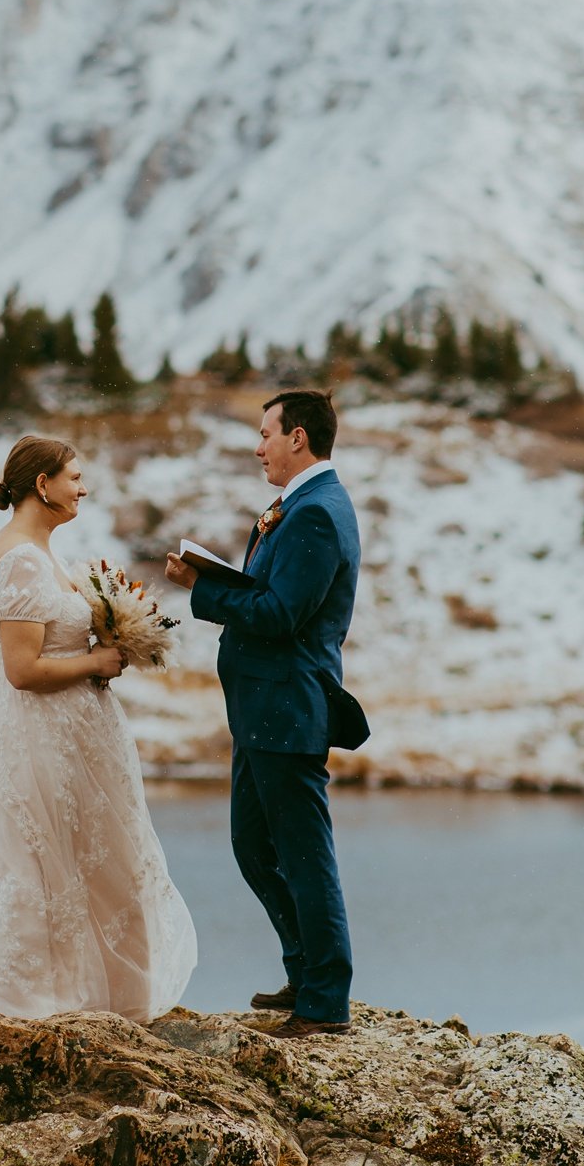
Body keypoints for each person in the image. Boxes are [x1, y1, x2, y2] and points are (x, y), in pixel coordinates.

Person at [0, 433, 197, 1020]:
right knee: (40, 867)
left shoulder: (40, 552)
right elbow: (20, 669)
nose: (83, 487)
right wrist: (98, 660)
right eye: (74, 477)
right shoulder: (17, 558)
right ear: (43, 485)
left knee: (93, 862)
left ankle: (99, 995)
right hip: (35, 740)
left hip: (64, 738)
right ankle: (36, 999)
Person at [165, 389, 359, 1039]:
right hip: (261, 709)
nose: (259, 447)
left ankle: (324, 1002)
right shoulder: (297, 506)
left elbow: (280, 616)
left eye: (265, 434)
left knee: (305, 858)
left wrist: (205, 588)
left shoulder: (315, 514)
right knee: (252, 847)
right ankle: (303, 972)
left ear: (297, 437)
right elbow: (274, 596)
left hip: (287, 708)